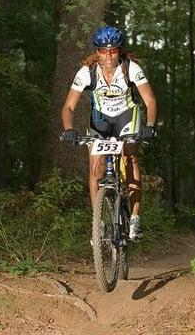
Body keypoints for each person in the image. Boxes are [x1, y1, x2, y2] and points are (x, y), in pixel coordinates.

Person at [61, 25, 157, 240]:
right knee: (95, 169)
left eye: (112, 50)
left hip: (126, 116)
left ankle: (134, 218)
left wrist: (149, 126)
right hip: (100, 120)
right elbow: (68, 107)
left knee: (130, 155)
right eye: (103, 51)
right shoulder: (86, 72)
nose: (108, 56)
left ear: (119, 51)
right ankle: (99, 223)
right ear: (97, 51)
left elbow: (149, 100)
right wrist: (68, 129)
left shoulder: (131, 69)